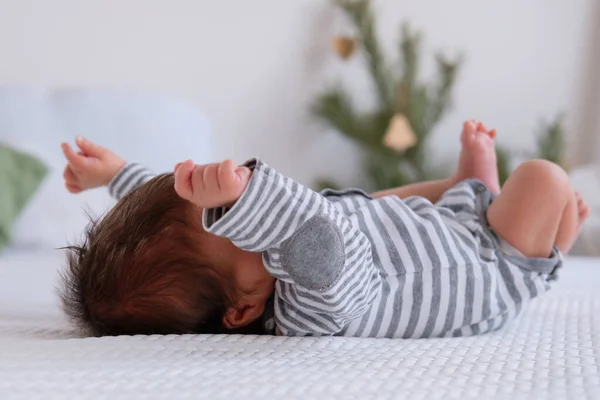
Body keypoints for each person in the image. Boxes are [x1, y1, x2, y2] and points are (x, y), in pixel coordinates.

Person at [59, 120, 589, 338]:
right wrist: (247, 197)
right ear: (240, 309)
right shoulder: (310, 309)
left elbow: (168, 215)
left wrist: (118, 177)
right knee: (544, 179)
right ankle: (538, 251)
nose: (233, 203)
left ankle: (465, 188)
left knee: (364, 205)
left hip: (423, 230)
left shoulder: (248, 272)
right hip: (487, 266)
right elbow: (323, 237)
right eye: (229, 219)